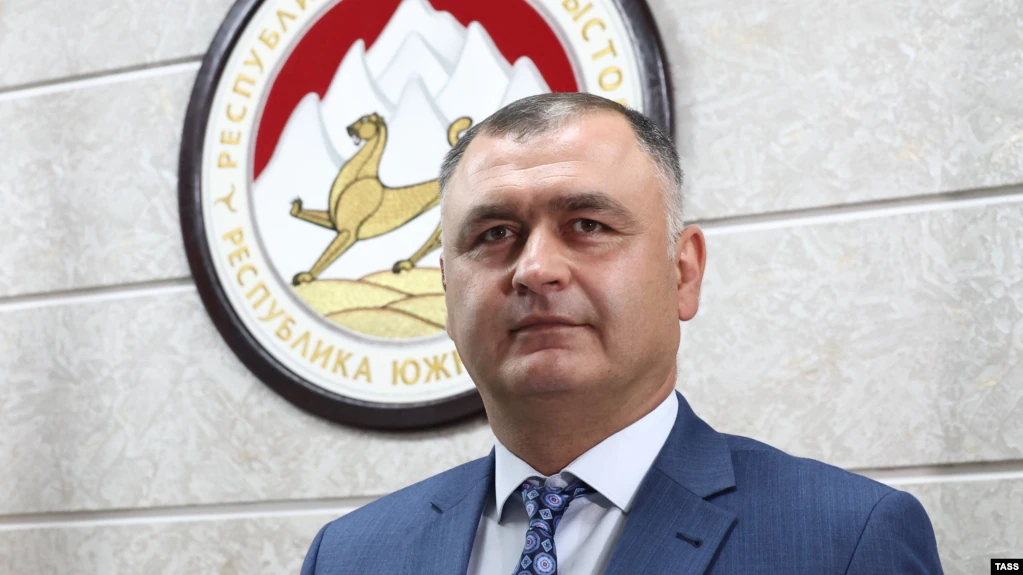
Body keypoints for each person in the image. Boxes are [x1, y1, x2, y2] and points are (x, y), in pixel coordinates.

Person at [300, 93, 943, 574]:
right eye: (495, 234)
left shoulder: (846, 539)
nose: (536, 269)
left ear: (683, 272)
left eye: (588, 225)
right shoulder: (350, 556)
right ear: (447, 290)